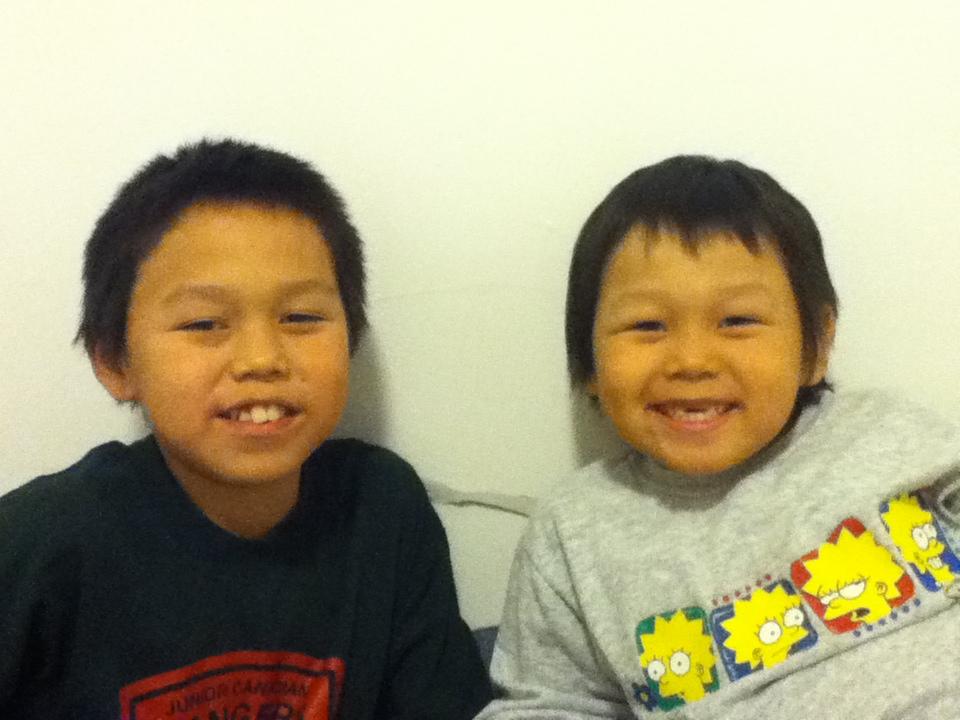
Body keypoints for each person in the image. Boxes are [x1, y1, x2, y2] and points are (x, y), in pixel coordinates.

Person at [0, 138, 492, 718]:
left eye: (301, 317)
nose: (262, 359)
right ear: (115, 362)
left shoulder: (382, 509)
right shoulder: (38, 543)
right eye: (205, 323)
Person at [476, 156, 960, 718]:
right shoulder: (575, 529)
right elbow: (547, 704)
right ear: (589, 363)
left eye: (737, 321)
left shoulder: (888, 434)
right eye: (647, 325)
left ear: (817, 344)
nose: (692, 360)